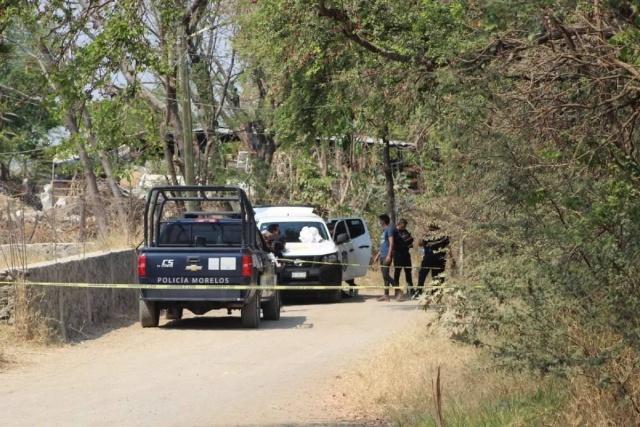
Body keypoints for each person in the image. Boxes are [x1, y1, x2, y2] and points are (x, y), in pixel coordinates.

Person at [416, 223, 450, 297]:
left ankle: (421, 291)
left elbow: (419, 243)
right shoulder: (444, 235)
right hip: (438, 259)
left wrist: (423, 235)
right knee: (435, 276)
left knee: (423, 275)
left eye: (429, 227)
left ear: (432, 227)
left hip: (431, 258)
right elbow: (448, 247)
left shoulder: (429, 235)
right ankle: (435, 292)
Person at [373, 214, 400, 302]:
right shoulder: (384, 231)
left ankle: (398, 290)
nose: (378, 222)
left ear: (383, 221)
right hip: (382, 255)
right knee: (385, 276)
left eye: (379, 220)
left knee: (385, 274)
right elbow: (383, 245)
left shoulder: (389, 229)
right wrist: (377, 255)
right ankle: (386, 295)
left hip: (387, 256)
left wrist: (389, 255)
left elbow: (391, 243)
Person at [393, 219, 414, 296]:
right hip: (398, 254)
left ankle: (410, 290)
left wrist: (409, 242)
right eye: (404, 225)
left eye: (405, 225)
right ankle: (396, 290)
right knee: (397, 273)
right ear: (400, 224)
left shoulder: (406, 232)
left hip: (406, 254)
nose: (405, 226)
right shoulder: (395, 232)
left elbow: (410, 241)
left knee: (408, 272)